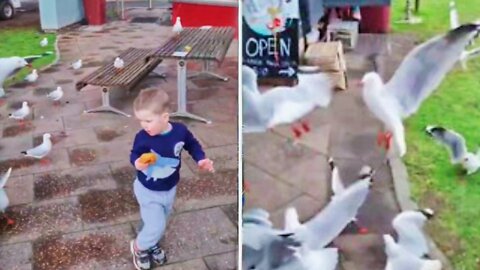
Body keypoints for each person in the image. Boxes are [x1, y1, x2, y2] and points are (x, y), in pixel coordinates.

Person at [129, 88, 214, 270]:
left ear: (165, 117)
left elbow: (192, 144)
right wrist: (137, 163)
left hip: (169, 187)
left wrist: (201, 159)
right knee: (157, 224)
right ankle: (139, 246)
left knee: (160, 219)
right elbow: (134, 153)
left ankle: (150, 242)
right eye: (141, 121)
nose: (144, 125)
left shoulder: (180, 132)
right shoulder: (142, 137)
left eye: (148, 120)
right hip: (147, 189)